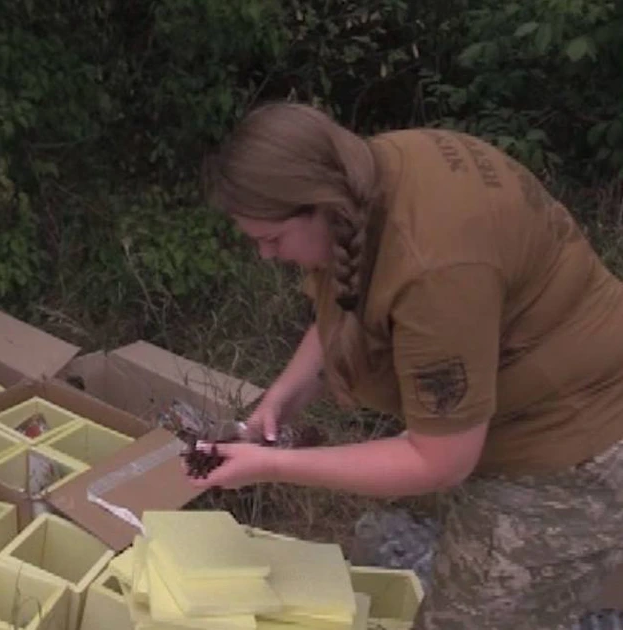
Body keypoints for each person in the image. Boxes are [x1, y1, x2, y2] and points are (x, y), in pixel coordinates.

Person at [193, 102, 623, 628]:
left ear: (317, 203)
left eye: (272, 239)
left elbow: (440, 460)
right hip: (512, 406)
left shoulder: (435, 272)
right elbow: (345, 302)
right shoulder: (367, 174)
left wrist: (274, 466)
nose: (265, 255)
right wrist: (283, 395)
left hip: (577, 443)